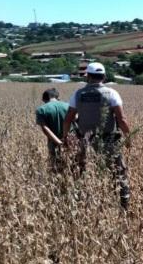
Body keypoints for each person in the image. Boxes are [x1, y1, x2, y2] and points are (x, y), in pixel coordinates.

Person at [62, 62, 132, 210]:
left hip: (84, 141)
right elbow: (122, 119)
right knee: (118, 172)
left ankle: (81, 204)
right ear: (104, 76)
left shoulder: (78, 94)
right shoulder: (112, 93)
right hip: (108, 141)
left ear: (88, 76)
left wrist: (65, 138)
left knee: (81, 171)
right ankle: (123, 206)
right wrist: (128, 137)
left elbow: (68, 119)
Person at [36, 88, 70, 172]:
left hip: (54, 144)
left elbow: (44, 128)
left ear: (44, 99)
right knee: (71, 166)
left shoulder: (41, 109)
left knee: (56, 168)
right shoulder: (68, 106)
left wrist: (59, 143)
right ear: (57, 97)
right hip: (71, 141)